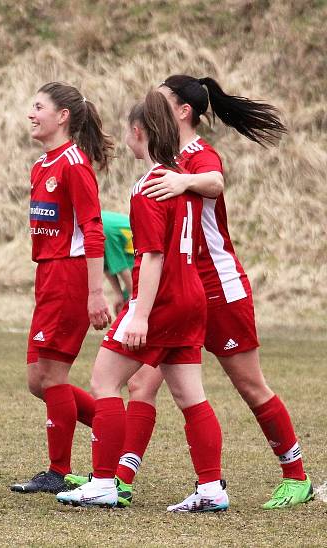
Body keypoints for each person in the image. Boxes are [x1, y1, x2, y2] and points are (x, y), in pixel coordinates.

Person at [111, 74, 312, 510]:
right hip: (177, 291)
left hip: (218, 287)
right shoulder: (164, 158)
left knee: (249, 385)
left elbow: (216, 183)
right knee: (142, 382)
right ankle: (119, 480)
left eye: (161, 100)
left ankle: (296, 476)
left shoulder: (199, 157)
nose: (151, 105)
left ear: (183, 111)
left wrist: (185, 182)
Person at [57, 90, 228, 512]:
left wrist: (140, 314)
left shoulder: (149, 186)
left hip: (164, 300)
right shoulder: (179, 177)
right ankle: (211, 489)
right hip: (192, 297)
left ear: (139, 133)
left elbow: (151, 256)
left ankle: (102, 482)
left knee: (104, 380)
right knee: (191, 395)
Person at [9, 82, 113, 495]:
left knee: (52, 375)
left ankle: (59, 471)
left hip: (69, 277)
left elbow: (92, 229)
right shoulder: (41, 165)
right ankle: (114, 429)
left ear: (63, 116)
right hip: (48, 275)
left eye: (39, 107)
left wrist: (95, 292)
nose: (31, 114)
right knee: (39, 379)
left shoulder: (74, 164)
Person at [101, 210, 134, 314]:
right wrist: (118, 294)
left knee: (132, 299)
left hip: (144, 256)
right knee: (124, 300)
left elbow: (120, 266)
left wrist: (132, 295)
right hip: (131, 259)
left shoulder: (104, 229)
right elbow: (105, 265)